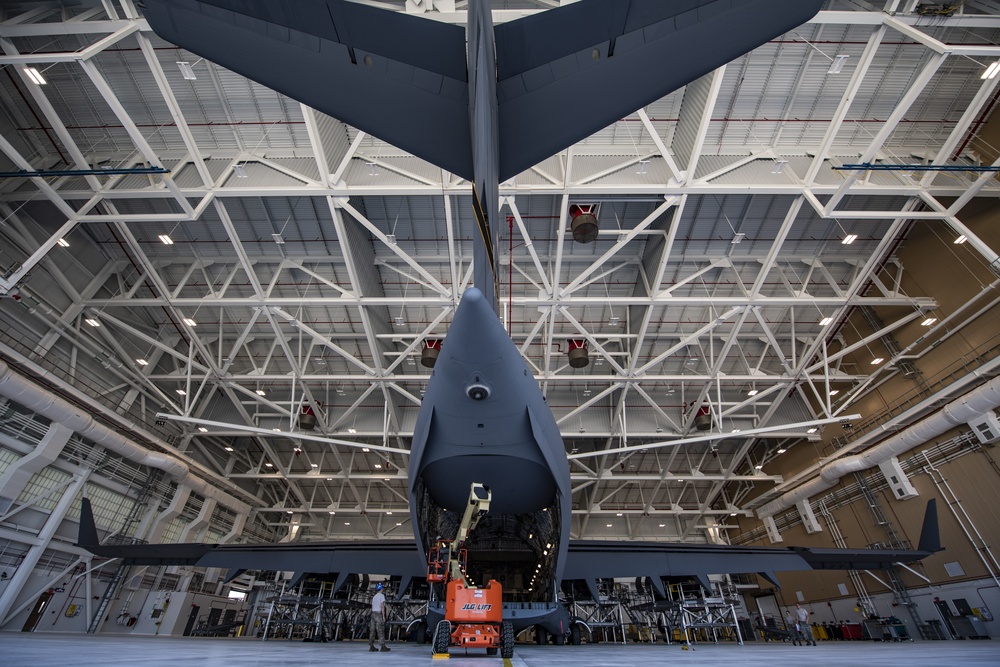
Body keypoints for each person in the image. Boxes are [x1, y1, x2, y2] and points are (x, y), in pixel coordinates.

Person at [369, 582, 390, 652]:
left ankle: (371, 645)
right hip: (378, 614)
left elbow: (372, 606)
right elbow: (382, 606)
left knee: (372, 630)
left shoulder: (374, 596)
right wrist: (383, 616)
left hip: (373, 614)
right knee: (380, 630)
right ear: (382, 589)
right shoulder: (381, 596)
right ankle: (382, 646)